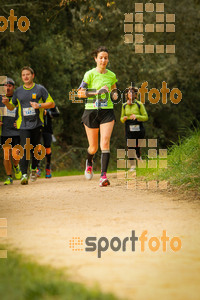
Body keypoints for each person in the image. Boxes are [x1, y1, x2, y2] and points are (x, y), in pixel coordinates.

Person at [2, 67, 55, 185]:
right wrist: (6, 103)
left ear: (33, 75)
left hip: (37, 124)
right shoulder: (18, 92)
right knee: (25, 147)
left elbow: (52, 103)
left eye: (28, 74)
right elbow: (12, 107)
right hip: (23, 125)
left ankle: (33, 169)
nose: (25, 77)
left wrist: (39, 105)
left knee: (35, 148)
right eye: (23, 75)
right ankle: (24, 175)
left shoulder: (40, 89)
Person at [78, 46, 118, 187]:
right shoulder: (89, 74)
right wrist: (97, 93)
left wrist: (115, 95)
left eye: (105, 58)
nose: (103, 60)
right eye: (100, 57)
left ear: (108, 59)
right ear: (96, 59)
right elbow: (80, 93)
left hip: (107, 111)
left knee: (105, 143)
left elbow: (114, 92)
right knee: (93, 147)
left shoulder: (111, 75)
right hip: (91, 112)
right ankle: (89, 161)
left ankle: (103, 176)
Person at [120, 86, 148, 170]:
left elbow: (146, 117)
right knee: (130, 146)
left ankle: (139, 158)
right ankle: (132, 165)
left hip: (138, 127)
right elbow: (121, 119)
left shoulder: (139, 104)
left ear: (135, 95)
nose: (130, 94)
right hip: (128, 127)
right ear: (127, 95)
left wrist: (137, 116)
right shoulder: (124, 105)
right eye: (129, 92)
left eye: (132, 92)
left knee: (137, 146)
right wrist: (123, 118)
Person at [0, 77, 22, 185]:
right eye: (5, 86)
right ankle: (9, 176)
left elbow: (24, 111)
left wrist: (20, 121)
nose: (7, 88)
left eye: (9, 86)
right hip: (4, 131)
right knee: (6, 154)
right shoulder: (0, 99)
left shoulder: (17, 98)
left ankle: (16, 166)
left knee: (15, 154)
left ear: (13, 87)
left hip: (17, 131)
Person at [36, 106, 60, 178]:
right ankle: (37, 167)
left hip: (48, 129)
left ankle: (48, 167)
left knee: (47, 148)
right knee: (38, 148)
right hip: (37, 128)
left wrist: (48, 113)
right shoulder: (35, 101)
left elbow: (57, 113)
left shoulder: (51, 103)